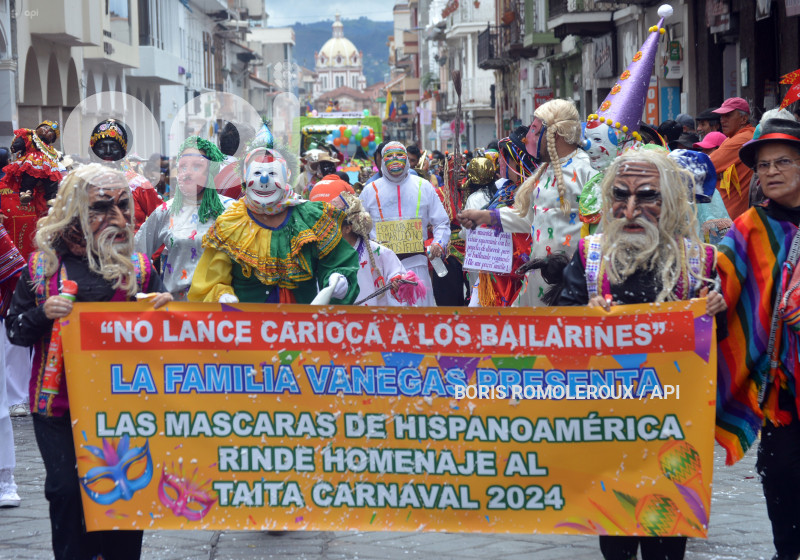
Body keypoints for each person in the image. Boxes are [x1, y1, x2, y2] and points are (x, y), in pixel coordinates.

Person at [557, 149, 725, 560]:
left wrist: (718, 310)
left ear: (669, 201)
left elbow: (720, 351)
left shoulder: (699, 260)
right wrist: (583, 316)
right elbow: (556, 336)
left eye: (647, 196)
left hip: (675, 426)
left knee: (668, 536)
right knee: (614, 528)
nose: (630, 209)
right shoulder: (589, 255)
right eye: (619, 195)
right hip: (609, 423)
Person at [6, 163, 172, 560]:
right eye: (102, 207)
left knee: (124, 494)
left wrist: (166, 312)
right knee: (65, 491)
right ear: (74, 209)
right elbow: (15, 331)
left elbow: (165, 344)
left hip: (125, 408)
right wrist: (42, 312)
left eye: (123, 206)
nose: (117, 218)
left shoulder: (142, 269)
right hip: (58, 406)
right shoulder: (41, 268)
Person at [715, 118, 800, 560]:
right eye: (763, 165)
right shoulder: (751, 227)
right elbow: (721, 281)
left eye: (783, 161)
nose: (771, 172)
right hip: (780, 386)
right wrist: (707, 302)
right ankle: (786, 551)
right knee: (780, 469)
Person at [459, 99, 596, 307]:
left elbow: (600, 232)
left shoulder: (588, 172)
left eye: (535, 128)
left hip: (572, 282)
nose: (528, 137)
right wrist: (485, 216)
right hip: (537, 280)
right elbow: (531, 219)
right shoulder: (544, 173)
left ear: (554, 133)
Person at [188, 147, 359, 304]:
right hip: (247, 329)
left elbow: (337, 261)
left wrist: (338, 278)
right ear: (245, 178)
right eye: (256, 173)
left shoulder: (311, 217)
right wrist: (222, 295)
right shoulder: (230, 224)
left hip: (301, 328)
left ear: (287, 177)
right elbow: (209, 281)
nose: (264, 180)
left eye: (272, 173)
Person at [135, 136, 233, 301]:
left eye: (197, 166)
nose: (187, 173)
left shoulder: (231, 211)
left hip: (219, 313)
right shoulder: (166, 211)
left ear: (211, 171)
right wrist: (153, 288)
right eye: (183, 166)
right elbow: (137, 255)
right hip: (176, 312)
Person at [359, 142, 450, 307]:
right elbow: (358, 228)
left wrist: (438, 243)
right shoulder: (370, 190)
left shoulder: (424, 186)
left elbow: (442, 222)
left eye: (399, 155)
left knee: (421, 323)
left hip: (417, 266)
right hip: (381, 270)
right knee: (385, 324)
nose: (394, 160)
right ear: (381, 160)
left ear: (407, 159)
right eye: (389, 156)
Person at [309, 182, 413, 306]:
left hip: (372, 321)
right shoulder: (321, 254)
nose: (325, 230)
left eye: (331, 225)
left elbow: (398, 275)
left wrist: (398, 282)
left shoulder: (377, 251)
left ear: (347, 228)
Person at [0, 120, 63, 259]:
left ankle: (50, 196)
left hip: (35, 249)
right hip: (10, 253)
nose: (47, 132)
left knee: (51, 181)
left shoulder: (50, 153)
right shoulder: (30, 136)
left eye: (51, 132)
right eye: (45, 128)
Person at [89, 119, 163, 231]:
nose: (108, 152)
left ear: (123, 153)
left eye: (114, 147)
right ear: (92, 153)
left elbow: (162, 222)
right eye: (102, 147)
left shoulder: (138, 185)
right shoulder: (82, 184)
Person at [709, 97, 756, 220]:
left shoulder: (743, 138)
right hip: (726, 217)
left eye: (728, 115)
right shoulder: (733, 138)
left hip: (731, 219)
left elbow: (708, 164)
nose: (722, 120)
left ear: (744, 119)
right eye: (721, 116)